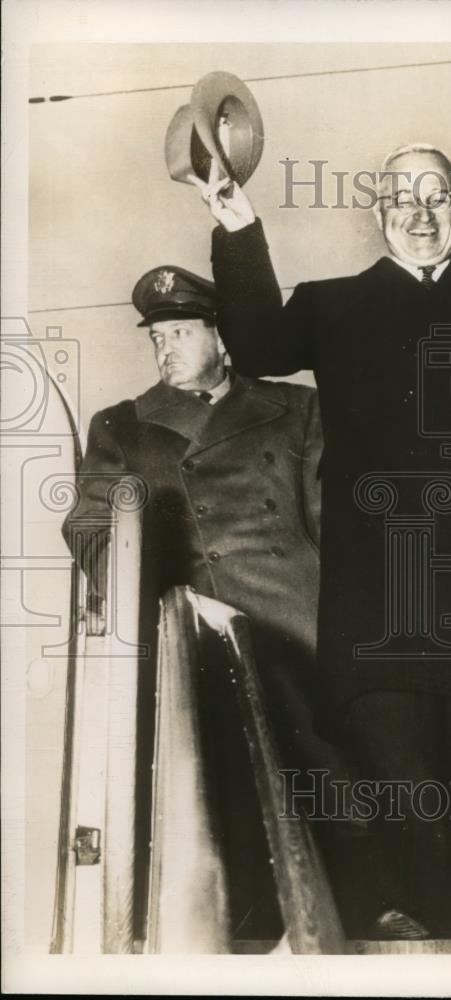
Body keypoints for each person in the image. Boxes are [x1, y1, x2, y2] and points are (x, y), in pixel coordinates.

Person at [197, 144, 451, 940]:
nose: (420, 214)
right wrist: (237, 224)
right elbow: (255, 347)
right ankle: (402, 913)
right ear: (378, 210)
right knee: (392, 744)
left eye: (437, 197)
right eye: (402, 197)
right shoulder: (328, 305)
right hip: (378, 573)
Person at [62, 265, 350, 942]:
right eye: (157, 337)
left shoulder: (298, 408)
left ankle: (347, 924)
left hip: (298, 622)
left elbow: (335, 524)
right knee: (212, 794)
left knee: (326, 784)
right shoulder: (123, 426)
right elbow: (92, 527)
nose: (165, 348)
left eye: (182, 332)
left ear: (224, 340)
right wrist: (141, 603)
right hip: (188, 630)